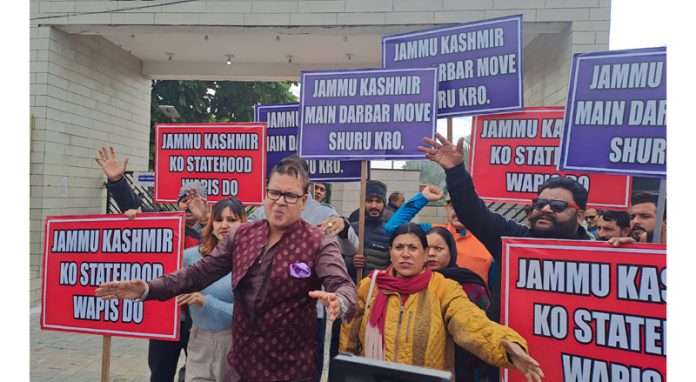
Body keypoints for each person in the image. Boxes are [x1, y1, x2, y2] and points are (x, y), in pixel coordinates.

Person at [97, 155, 358, 382]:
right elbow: (198, 273)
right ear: (266, 192)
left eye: (290, 195)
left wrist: (341, 301)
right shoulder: (243, 235)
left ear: (303, 200)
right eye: (274, 192)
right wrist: (147, 288)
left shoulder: (317, 242)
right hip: (240, 367)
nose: (280, 202)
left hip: (290, 370)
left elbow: (342, 283)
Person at [418, 132, 592, 325]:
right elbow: (473, 213)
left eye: (558, 205)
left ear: (580, 215)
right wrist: (456, 171)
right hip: (502, 348)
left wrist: (627, 255)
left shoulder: (599, 255)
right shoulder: (512, 239)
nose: (545, 209)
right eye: (540, 202)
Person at [339, 223, 544, 382]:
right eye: (399, 247)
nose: (406, 254)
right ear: (390, 251)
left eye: (413, 247)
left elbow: (471, 323)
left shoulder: (444, 288)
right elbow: (349, 336)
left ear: (425, 253)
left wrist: (506, 347)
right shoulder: (370, 286)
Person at [96, 146, 202, 382]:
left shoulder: (215, 234)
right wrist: (116, 181)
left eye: (194, 199)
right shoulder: (163, 226)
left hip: (198, 322)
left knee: (198, 374)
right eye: (183, 200)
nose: (188, 205)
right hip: (163, 319)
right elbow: (132, 203)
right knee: (160, 374)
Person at [249, 162, 359, 380]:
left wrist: (343, 226)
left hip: (310, 311)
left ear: (304, 187)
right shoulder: (261, 212)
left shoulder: (324, 213)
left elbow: (350, 248)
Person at [181, 197, 245, 381]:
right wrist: (134, 219)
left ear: (243, 223)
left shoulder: (249, 262)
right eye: (218, 219)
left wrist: (205, 301)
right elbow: (157, 257)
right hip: (198, 341)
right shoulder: (192, 257)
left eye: (232, 220)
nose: (224, 225)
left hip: (233, 343)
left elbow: (249, 314)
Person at [385, 185, 494, 287]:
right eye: (454, 205)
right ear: (446, 208)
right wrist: (423, 198)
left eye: (466, 206)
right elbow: (393, 227)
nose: (459, 211)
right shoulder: (432, 232)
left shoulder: (489, 241)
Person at [426, 226, 491, 382]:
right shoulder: (413, 281)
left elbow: (482, 328)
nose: (431, 254)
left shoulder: (468, 283)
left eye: (438, 248)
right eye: (426, 248)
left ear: (451, 252)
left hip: (462, 362)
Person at [346, 180, 392, 280]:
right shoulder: (351, 230)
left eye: (378, 201)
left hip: (379, 291)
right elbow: (337, 261)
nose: (374, 206)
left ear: (384, 205)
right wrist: (351, 262)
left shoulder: (390, 233)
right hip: (353, 289)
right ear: (363, 203)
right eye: (369, 201)